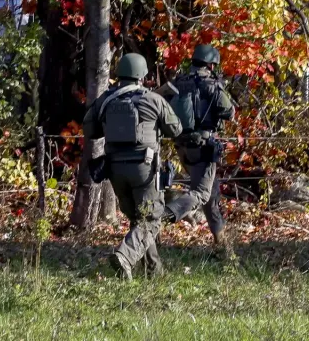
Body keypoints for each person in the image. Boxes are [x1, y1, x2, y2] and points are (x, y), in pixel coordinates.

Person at [85, 53, 181, 280]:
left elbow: (90, 130)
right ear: (141, 75)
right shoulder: (152, 99)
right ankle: (125, 256)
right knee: (151, 219)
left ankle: (154, 273)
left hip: (115, 171)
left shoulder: (106, 99)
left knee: (140, 221)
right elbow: (176, 129)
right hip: (144, 169)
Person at [160, 44, 235, 259]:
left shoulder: (178, 82)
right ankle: (165, 216)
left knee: (211, 196)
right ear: (211, 64)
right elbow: (229, 112)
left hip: (182, 147)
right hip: (203, 148)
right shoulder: (211, 85)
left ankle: (222, 248)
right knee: (202, 194)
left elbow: (159, 102)